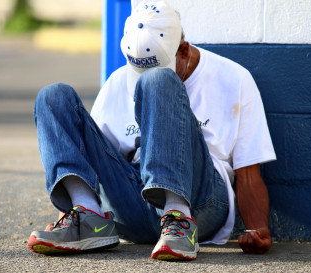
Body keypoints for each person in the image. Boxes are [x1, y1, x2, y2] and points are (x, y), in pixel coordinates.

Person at [27, 0, 276, 260]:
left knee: (158, 82)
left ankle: (178, 216)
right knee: (52, 96)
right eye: (139, 72)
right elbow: (87, 161)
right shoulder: (117, 82)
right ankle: (87, 221)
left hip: (201, 203)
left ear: (183, 50)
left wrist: (257, 229)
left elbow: (248, 174)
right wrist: (71, 214)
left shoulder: (233, 79)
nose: (139, 81)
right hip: (132, 204)